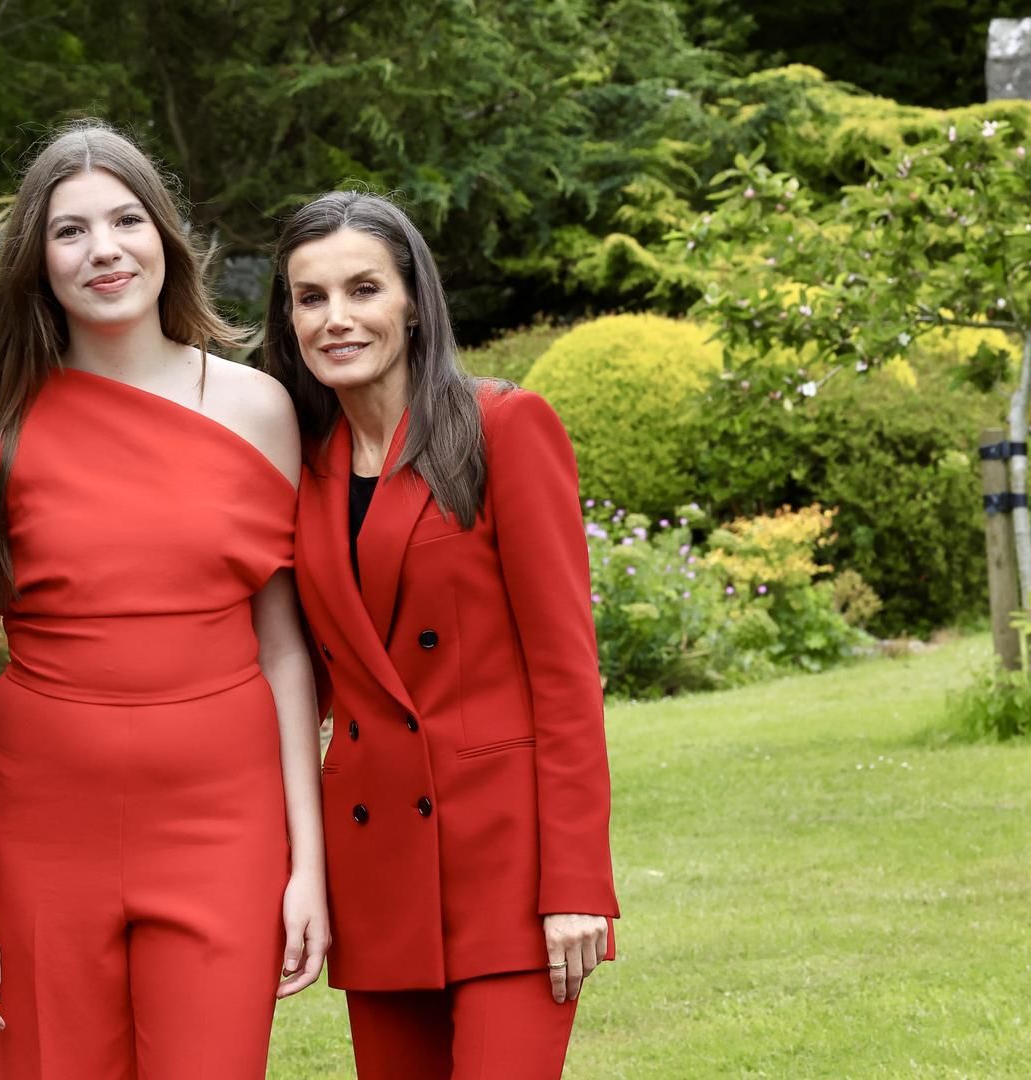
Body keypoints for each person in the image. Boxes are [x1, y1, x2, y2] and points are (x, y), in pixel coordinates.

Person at [0, 121, 329, 1080]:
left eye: (126, 220)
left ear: (166, 238)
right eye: (70, 231)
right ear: (38, 262)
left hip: (223, 819)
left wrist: (307, 864)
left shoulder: (260, 407)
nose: (104, 249)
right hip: (38, 820)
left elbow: (283, 648)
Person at [262, 191, 619, 1079]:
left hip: (507, 868)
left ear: (413, 300)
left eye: (363, 289)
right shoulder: (296, 468)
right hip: (376, 864)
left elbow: (567, 675)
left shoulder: (503, 427)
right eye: (311, 298)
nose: (336, 319)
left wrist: (575, 884)